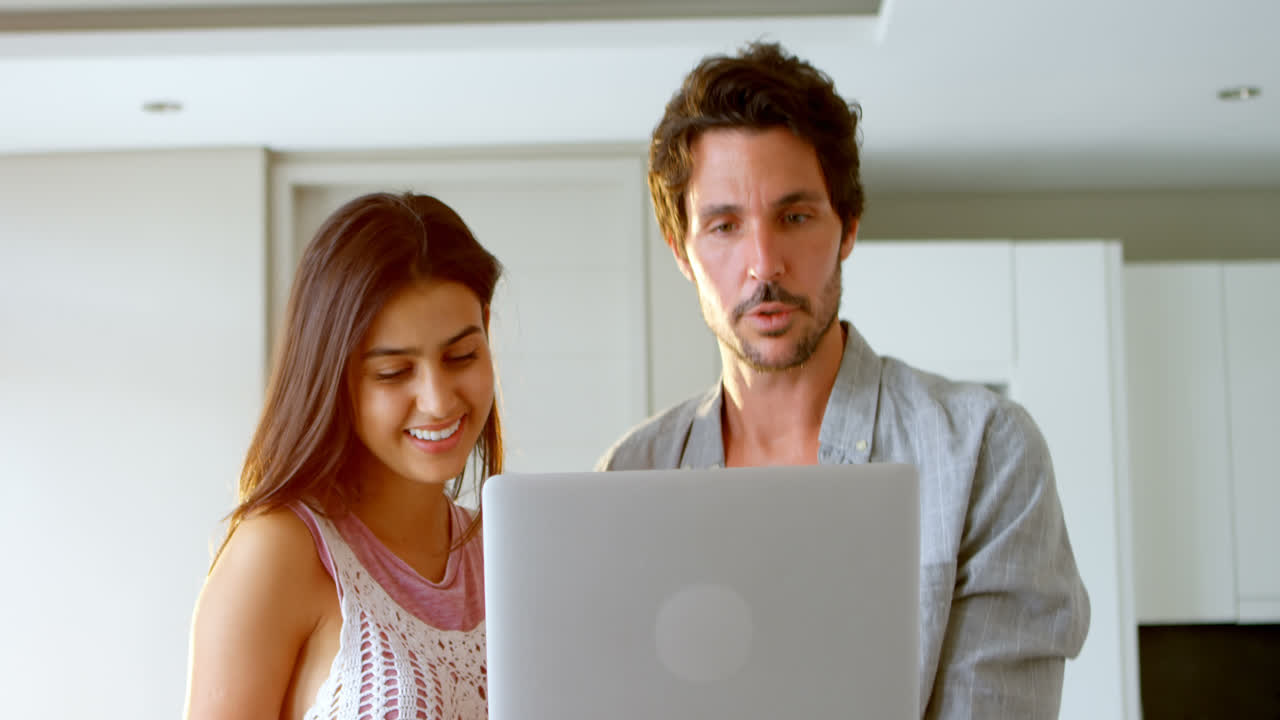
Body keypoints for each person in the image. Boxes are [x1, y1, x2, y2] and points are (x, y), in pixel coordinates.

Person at [596, 42, 1090, 718]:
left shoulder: (984, 450)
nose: (763, 263)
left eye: (795, 217)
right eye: (725, 226)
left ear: (847, 226)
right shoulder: (629, 476)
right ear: (681, 251)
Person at [184, 192, 500, 720]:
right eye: (393, 372)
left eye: (461, 356)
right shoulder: (280, 552)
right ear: (333, 376)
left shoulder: (507, 556)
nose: (439, 399)